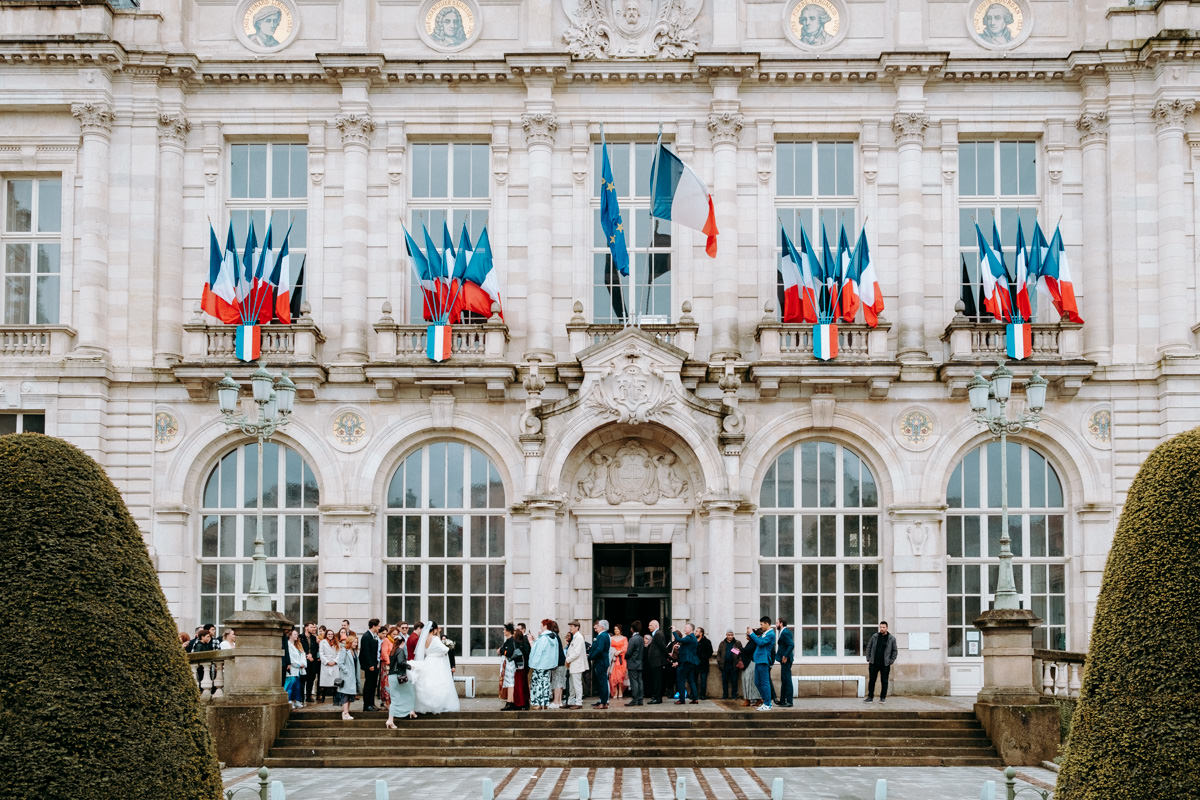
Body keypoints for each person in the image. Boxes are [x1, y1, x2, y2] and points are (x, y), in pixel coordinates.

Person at [411, 620, 460, 714]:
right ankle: (438, 705)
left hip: (428, 660)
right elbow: (444, 650)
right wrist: (448, 646)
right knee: (439, 682)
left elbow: (425, 652)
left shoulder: (424, 639)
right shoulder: (435, 639)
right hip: (437, 662)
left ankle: (427, 705)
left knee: (428, 682)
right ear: (434, 630)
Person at [384, 627, 417, 727]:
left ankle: (390, 720)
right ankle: (411, 711)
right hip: (399, 677)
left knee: (394, 699)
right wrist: (410, 666)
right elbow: (401, 662)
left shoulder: (392, 651)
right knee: (411, 692)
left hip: (392, 677)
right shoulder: (400, 651)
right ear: (402, 642)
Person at [529, 619, 561, 710]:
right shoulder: (553, 637)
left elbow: (538, 652)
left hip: (540, 664)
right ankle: (545, 703)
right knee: (546, 683)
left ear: (545, 626)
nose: (540, 627)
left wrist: (531, 641)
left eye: (541, 625)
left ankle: (538, 703)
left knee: (538, 683)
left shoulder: (543, 638)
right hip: (548, 664)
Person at [864, 620, 898, 704]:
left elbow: (895, 651)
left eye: (883, 627)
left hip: (885, 664)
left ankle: (883, 698)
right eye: (881, 627)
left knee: (884, 681)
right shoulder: (874, 636)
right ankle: (870, 697)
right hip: (874, 663)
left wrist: (891, 661)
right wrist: (868, 658)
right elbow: (869, 647)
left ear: (887, 628)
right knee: (872, 680)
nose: (882, 629)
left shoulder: (891, 638)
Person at [747, 617, 777, 711]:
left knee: (764, 683)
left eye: (761, 624)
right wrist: (753, 634)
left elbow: (760, 643)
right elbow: (758, 640)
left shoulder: (771, 634)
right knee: (757, 682)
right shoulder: (765, 633)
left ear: (767, 623)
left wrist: (752, 633)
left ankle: (768, 703)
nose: (761, 626)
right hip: (759, 660)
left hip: (764, 660)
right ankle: (765, 701)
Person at [671, 623, 700, 704]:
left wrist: (674, 631)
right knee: (691, 680)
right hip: (690, 662)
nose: (684, 629)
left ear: (691, 629)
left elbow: (678, 639)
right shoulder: (692, 638)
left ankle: (682, 699)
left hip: (685, 662)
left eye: (686, 627)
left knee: (680, 680)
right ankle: (695, 698)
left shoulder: (690, 637)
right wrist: (680, 647)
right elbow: (688, 648)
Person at [335, 631, 360, 720]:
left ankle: (347, 712)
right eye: (354, 642)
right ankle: (345, 713)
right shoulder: (344, 651)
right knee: (345, 694)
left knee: (350, 695)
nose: (356, 644)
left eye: (357, 642)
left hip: (352, 677)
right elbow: (340, 663)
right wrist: (347, 671)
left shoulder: (354, 652)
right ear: (350, 642)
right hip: (346, 677)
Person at [588, 619, 611, 709]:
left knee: (602, 682)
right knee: (602, 682)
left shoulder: (602, 636)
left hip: (601, 662)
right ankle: (603, 701)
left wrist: (590, 656)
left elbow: (599, 649)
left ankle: (603, 703)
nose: (596, 628)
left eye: (597, 626)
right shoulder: (605, 635)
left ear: (602, 627)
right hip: (603, 661)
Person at [645, 619, 669, 704]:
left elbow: (662, 647)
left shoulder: (658, 634)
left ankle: (657, 698)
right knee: (656, 680)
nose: (649, 627)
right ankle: (656, 697)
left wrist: (668, 657)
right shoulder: (655, 634)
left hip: (657, 662)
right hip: (655, 662)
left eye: (650, 625)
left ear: (656, 626)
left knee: (657, 681)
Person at [564, 620, 587, 709]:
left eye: (572, 627)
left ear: (577, 627)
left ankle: (578, 702)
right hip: (573, 664)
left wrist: (568, 660)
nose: (570, 628)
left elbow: (577, 652)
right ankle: (571, 701)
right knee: (572, 685)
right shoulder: (575, 637)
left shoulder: (579, 637)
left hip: (576, 664)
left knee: (577, 684)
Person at [360, 618, 381, 712]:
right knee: (368, 685)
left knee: (373, 685)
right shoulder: (366, 636)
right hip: (369, 666)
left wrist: (376, 663)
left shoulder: (374, 636)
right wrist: (370, 665)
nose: (379, 627)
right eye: (378, 626)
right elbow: (366, 652)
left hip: (374, 664)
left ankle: (372, 704)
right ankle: (367, 705)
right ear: (374, 626)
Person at [717, 630, 742, 700]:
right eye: (729, 635)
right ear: (726, 635)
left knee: (734, 681)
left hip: (734, 665)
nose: (730, 636)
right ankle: (725, 695)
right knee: (725, 681)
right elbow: (719, 653)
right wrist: (719, 661)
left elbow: (741, 653)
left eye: (731, 635)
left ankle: (734, 695)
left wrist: (738, 660)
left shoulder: (737, 643)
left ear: (733, 635)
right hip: (724, 665)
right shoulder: (722, 643)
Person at [284, 630, 306, 709]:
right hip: (292, 668)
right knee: (290, 685)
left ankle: (297, 700)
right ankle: (289, 700)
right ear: (290, 635)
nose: (297, 636)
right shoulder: (288, 645)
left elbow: (303, 655)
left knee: (297, 686)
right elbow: (290, 658)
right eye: (295, 634)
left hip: (298, 670)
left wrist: (303, 664)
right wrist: (299, 665)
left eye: (297, 634)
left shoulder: (298, 645)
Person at [498, 623, 518, 710]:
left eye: (504, 630)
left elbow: (508, 652)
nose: (503, 631)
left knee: (510, 683)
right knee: (509, 683)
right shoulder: (509, 640)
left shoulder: (511, 640)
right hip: (509, 664)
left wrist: (501, 651)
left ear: (508, 631)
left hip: (511, 664)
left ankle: (510, 702)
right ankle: (509, 701)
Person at [548, 620, 568, 709]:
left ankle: (556, 701)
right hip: (561, 662)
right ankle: (559, 701)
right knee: (560, 682)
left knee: (556, 682)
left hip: (558, 663)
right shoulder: (557, 635)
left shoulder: (553, 636)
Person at [775, 618, 795, 707]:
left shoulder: (785, 632)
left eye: (777, 623)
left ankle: (789, 701)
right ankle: (782, 700)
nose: (776, 625)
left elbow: (791, 644)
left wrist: (785, 655)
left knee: (787, 680)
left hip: (786, 660)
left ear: (781, 623)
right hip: (784, 660)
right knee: (784, 679)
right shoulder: (782, 632)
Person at [625, 620, 644, 706]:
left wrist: (625, 656)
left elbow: (629, 652)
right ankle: (640, 699)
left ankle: (635, 699)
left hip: (633, 663)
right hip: (640, 662)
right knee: (640, 681)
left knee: (634, 682)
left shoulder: (633, 639)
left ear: (632, 629)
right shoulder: (641, 638)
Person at [739, 631, 761, 707]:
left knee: (750, 682)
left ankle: (751, 700)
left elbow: (745, 651)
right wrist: (734, 650)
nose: (746, 636)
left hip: (750, 664)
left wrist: (737, 648)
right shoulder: (750, 643)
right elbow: (742, 652)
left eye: (747, 635)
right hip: (747, 665)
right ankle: (750, 699)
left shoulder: (753, 643)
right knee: (747, 681)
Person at [300, 622, 319, 703]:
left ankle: (308, 696)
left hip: (312, 661)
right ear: (306, 628)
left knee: (311, 679)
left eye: (314, 627)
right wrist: (307, 655)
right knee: (303, 679)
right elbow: (299, 647)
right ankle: (301, 697)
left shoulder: (314, 638)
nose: (313, 629)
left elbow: (315, 649)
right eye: (311, 627)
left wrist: (311, 655)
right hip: (304, 661)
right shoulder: (300, 637)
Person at [608, 623, 628, 700]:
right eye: (615, 629)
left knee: (621, 676)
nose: (616, 630)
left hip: (621, 659)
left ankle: (620, 690)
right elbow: (609, 647)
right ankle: (615, 691)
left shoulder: (624, 638)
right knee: (613, 677)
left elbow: (625, 647)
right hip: (614, 659)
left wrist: (619, 652)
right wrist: (614, 652)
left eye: (617, 629)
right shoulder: (611, 638)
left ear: (620, 630)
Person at [318, 629, 339, 703]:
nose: (330, 635)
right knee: (325, 683)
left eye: (331, 634)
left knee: (335, 683)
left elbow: (339, 653)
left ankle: (335, 698)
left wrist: (335, 661)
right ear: (326, 635)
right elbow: (321, 653)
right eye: (329, 634)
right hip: (326, 664)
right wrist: (327, 662)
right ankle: (323, 697)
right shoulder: (322, 642)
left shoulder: (336, 642)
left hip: (334, 664)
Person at [696, 627, 714, 700]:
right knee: (694, 680)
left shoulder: (707, 641)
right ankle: (694, 694)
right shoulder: (694, 641)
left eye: (697, 631)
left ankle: (703, 695)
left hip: (704, 664)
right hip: (695, 664)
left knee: (703, 681)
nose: (695, 632)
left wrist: (703, 657)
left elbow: (710, 652)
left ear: (701, 633)